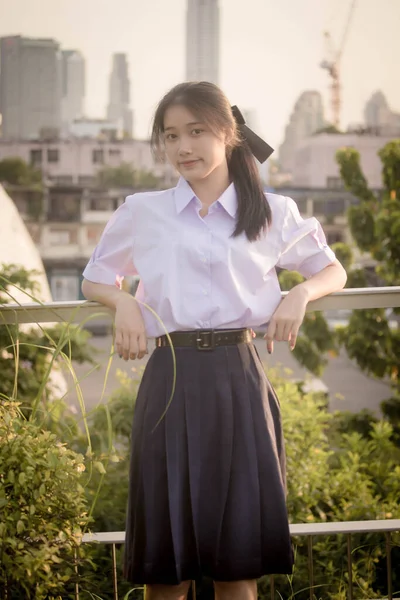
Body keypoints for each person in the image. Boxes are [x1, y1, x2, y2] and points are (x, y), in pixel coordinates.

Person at [81, 81, 347, 600]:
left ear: (228, 133)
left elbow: (331, 270)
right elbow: (95, 277)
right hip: (170, 380)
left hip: (239, 381)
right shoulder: (144, 211)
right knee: (167, 570)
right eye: (172, 135)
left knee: (236, 567)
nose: (183, 147)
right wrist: (125, 302)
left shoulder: (271, 211)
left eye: (197, 131)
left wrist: (298, 296)